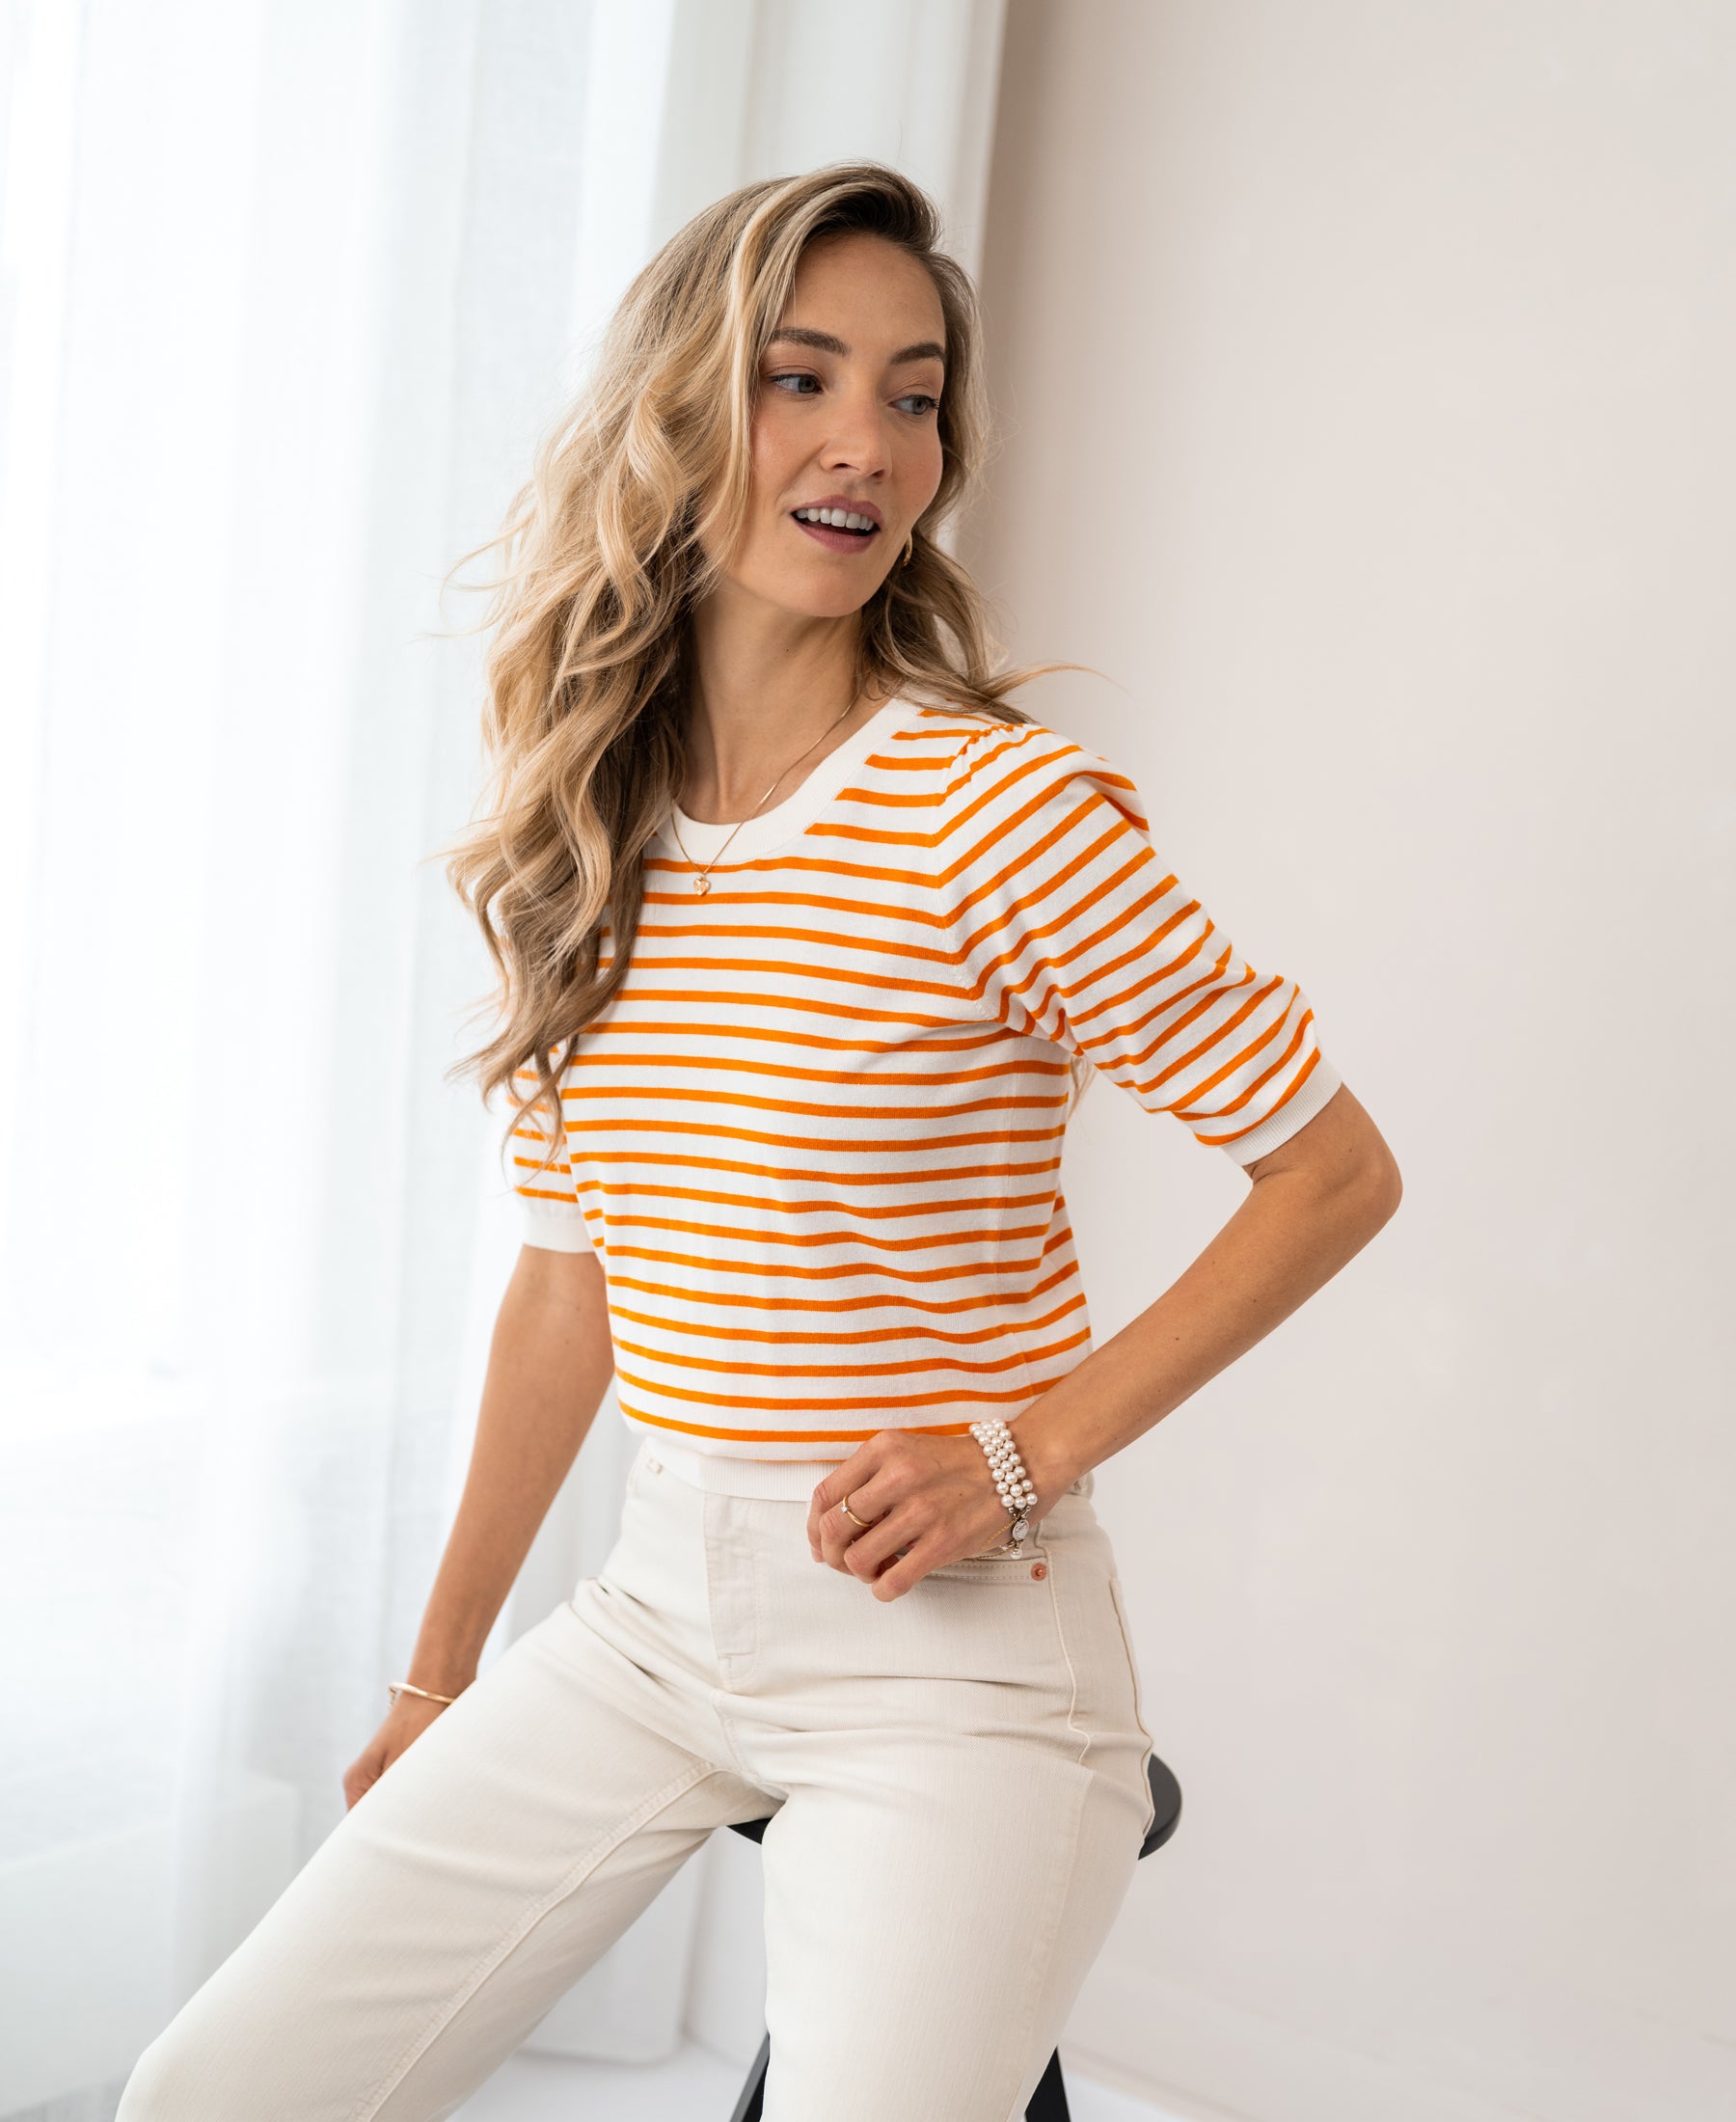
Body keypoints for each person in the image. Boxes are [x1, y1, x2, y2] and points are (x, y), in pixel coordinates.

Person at [117, 161, 1400, 2122]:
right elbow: (570, 1286)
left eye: (913, 394)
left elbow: (1332, 1173)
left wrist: (1019, 1449)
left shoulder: (1000, 815)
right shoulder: (587, 833)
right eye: (801, 378)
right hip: (652, 1618)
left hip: (956, 1661)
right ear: (677, 412)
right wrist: (441, 1674)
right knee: (209, 2092)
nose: (867, 442)